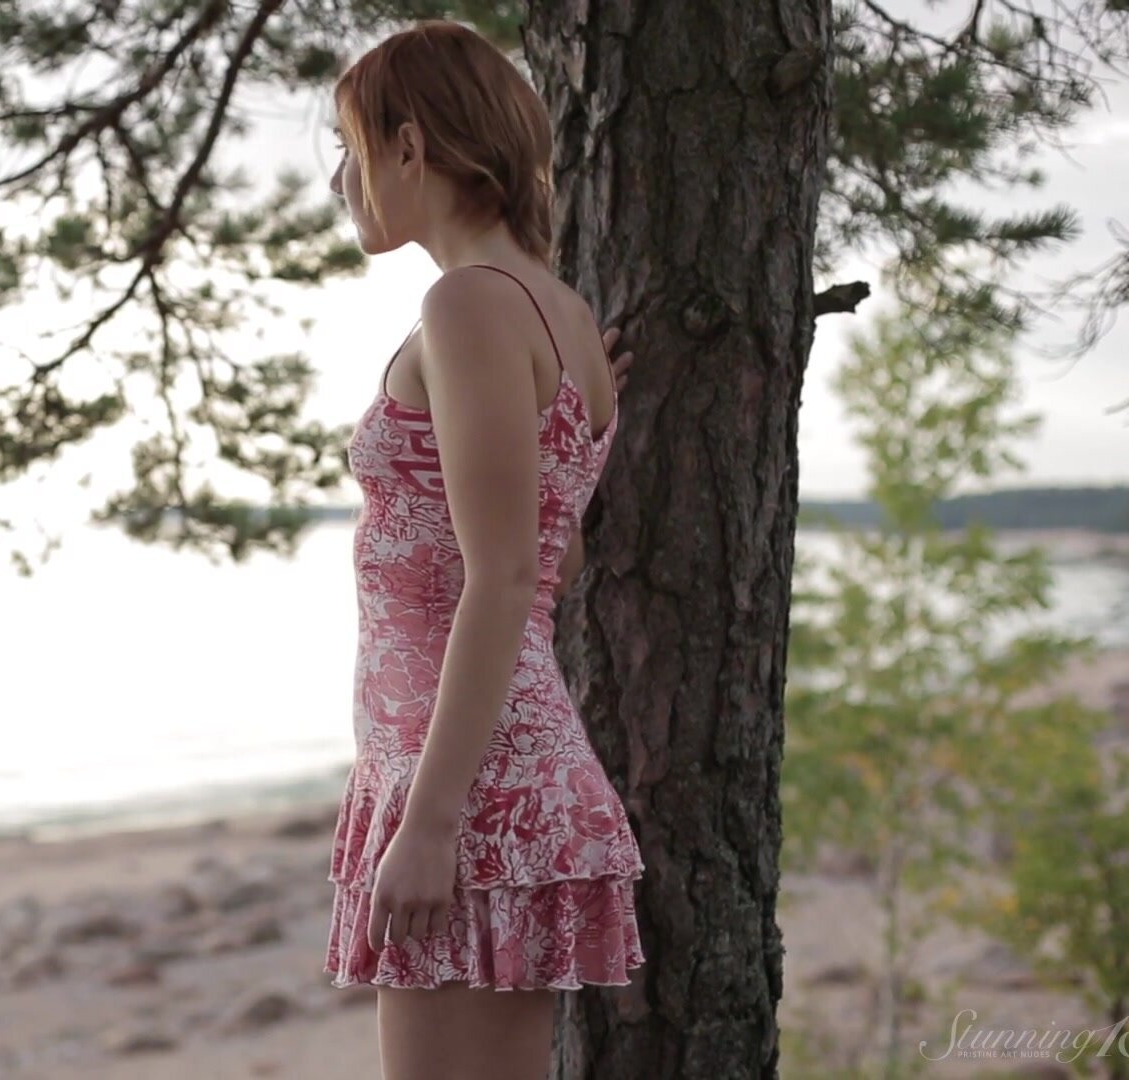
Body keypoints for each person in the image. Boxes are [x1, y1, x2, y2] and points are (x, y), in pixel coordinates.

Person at [321, 20, 647, 1080]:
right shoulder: (557, 313)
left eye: (351, 149)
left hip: (468, 784)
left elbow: (508, 579)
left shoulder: (466, 305)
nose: (342, 180)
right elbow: (555, 561)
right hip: (499, 771)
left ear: (409, 146)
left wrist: (428, 823)